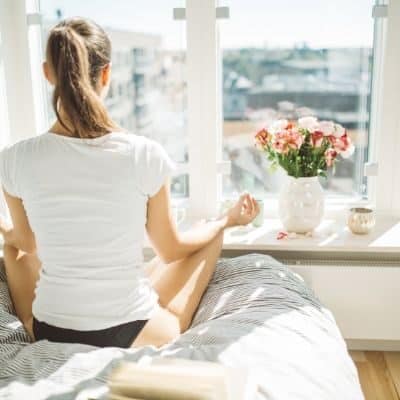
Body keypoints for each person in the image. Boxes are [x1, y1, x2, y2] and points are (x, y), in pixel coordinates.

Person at [0, 17, 259, 348]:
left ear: (47, 73)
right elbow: (171, 250)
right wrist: (228, 219)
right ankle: (220, 226)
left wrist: (4, 227)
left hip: (51, 329)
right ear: (106, 73)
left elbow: (26, 243)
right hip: (133, 331)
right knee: (210, 232)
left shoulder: (14, 159)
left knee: (12, 246)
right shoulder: (143, 154)